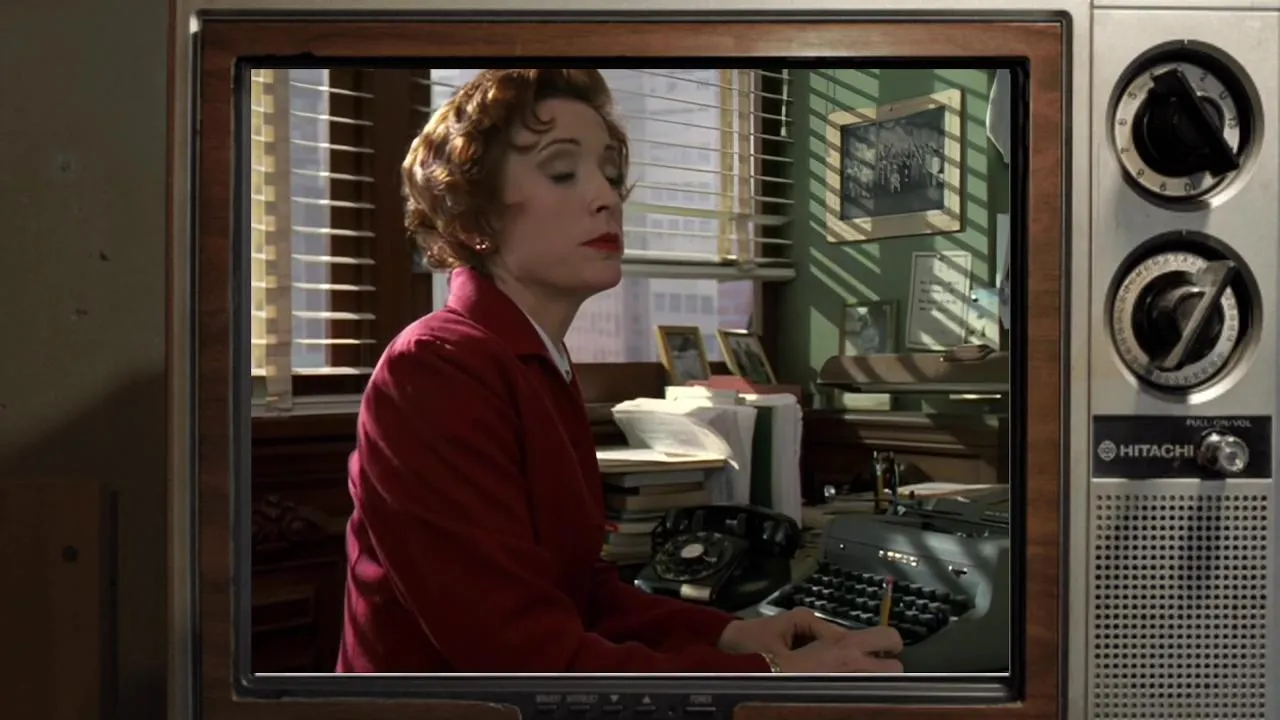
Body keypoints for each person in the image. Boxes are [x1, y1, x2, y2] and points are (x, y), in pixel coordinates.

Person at [336, 68, 904, 674]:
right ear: (474, 219)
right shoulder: (435, 367)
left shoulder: (538, 363)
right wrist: (772, 675)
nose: (607, 197)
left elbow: (584, 598)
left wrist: (735, 635)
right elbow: (519, 655)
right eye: (562, 172)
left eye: (609, 172)